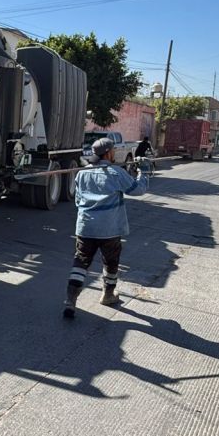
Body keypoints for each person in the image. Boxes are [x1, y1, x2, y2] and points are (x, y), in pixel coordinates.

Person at [64, 136, 143, 318]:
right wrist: (143, 172)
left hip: (85, 227)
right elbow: (137, 190)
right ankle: (108, 295)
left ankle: (70, 300)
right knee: (111, 262)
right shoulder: (116, 173)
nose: (114, 152)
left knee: (80, 262)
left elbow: (78, 201)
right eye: (113, 150)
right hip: (109, 230)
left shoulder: (82, 173)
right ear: (108, 153)